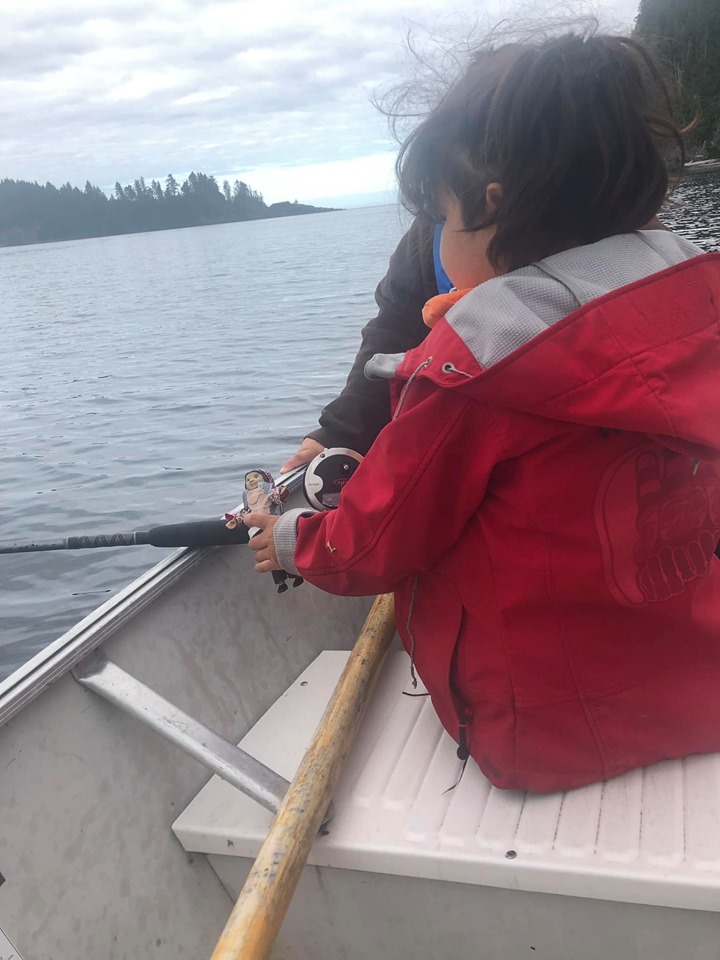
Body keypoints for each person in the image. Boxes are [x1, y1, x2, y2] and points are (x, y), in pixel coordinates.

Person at [246, 33, 720, 793]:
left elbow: (374, 544)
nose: (434, 238)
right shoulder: (698, 305)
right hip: (703, 687)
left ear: (492, 205)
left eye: (440, 216)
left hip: (549, 736)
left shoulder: (472, 368)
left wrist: (291, 538)